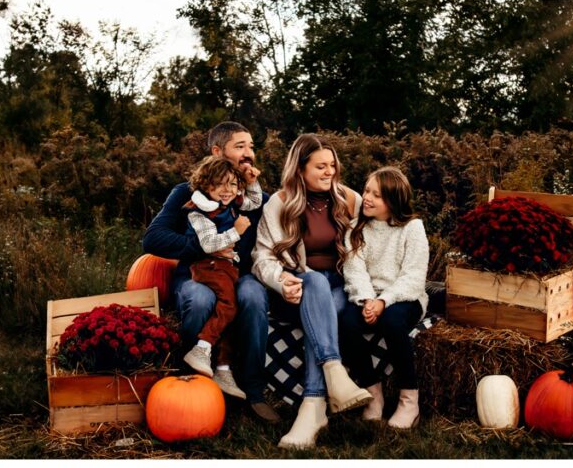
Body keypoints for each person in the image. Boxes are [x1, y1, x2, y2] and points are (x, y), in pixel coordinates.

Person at [143, 121, 279, 423]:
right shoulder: (187, 194)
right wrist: (203, 246)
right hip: (197, 273)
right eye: (240, 147)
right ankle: (193, 386)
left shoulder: (256, 200)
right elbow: (152, 239)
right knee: (201, 298)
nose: (249, 154)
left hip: (239, 274)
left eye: (252, 147)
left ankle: (253, 390)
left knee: (253, 295)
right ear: (217, 151)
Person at [253, 133, 373, 449]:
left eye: (332, 165)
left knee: (325, 300)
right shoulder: (278, 204)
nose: (329, 172)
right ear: (300, 169)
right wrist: (281, 281)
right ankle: (334, 373)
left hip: (341, 288)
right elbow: (262, 256)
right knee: (315, 282)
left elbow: (367, 250)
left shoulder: (351, 200)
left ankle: (314, 404)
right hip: (297, 291)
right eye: (320, 166)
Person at [340, 167, 429, 429]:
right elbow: (354, 270)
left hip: (404, 297)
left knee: (392, 322)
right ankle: (373, 394)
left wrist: (383, 301)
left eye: (376, 195)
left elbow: (413, 276)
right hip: (368, 295)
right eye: (367, 190)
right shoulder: (356, 228)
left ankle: (409, 400)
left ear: (392, 200)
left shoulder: (412, 228)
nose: (366, 198)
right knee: (346, 322)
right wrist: (368, 300)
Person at [179, 156, 262, 399]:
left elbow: (254, 201)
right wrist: (235, 232)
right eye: (220, 184)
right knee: (229, 305)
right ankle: (201, 348)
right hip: (208, 266)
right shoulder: (198, 212)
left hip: (224, 266)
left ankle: (223, 368)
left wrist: (251, 181)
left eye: (233, 184)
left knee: (227, 311)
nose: (227, 191)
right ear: (206, 184)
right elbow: (207, 244)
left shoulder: (231, 202)